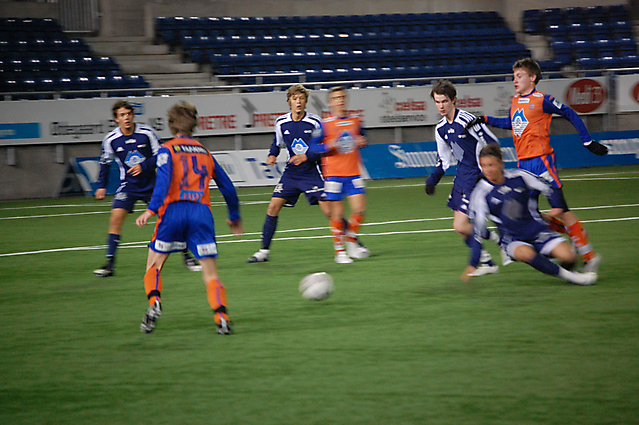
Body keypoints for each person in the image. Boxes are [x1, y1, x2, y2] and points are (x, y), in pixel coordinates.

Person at [465, 58, 608, 273]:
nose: (515, 80)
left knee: (562, 209)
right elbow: (512, 123)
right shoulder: (515, 101)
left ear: (532, 78)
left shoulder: (542, 100)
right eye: (514, 77)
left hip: (542, 162)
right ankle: (565, 242)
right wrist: (485, 119)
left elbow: (569, 112)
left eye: (519, 76)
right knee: (532, 213)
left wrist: (587, 140)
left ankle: (589, 255)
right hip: (523, 166)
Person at [136, 102, 242, 335]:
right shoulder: (205, 152)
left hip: (172, 212)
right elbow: (228, 188)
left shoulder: (167, 150)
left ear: (172, 126)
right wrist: (234, 216)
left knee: (153, 265)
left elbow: (162, 183)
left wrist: (150, 210)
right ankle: (221, 317)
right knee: (211, 274)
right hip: (200, 213)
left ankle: (154, 303)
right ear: (195, 125)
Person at [462, 144, 597, 286]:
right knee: (526, 254)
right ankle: (575, 278)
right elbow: (478, 230)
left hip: (537, 230)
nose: (487, 170)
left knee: (569, 258)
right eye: (484, 166)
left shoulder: (519, 176)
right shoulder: (480, 193)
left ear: (501, 163)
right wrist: (473, 262)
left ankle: (560, 259)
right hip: (513, 239)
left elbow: (548, 187)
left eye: (491, 165)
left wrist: (555, 206)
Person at [94, 100, 201, 277]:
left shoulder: (146, 133)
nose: (126, 118)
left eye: (128, 114)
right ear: (116, 119)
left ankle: (188, 257)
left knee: (171, 219)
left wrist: (144, 166)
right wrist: (101, 186)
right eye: (122, 115)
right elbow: (105, 162)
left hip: (152, 185)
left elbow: (161, 153)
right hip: (128, 186)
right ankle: (109, 264)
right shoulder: (111, 140)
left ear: (133, 115)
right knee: (115, 220)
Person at [425, 80, 508, 276]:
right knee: (461, 229)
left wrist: (488, 170)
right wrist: (433, 179)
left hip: (476, 176)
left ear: (454, 100)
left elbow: (492, 142)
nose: (441, 106)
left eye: (444, 101)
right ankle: (488, 261)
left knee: (461, 224)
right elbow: (444, 160)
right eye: (437, 102)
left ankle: (499, 243)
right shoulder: (440, 128)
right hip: (461, 176)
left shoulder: (467, 120)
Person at [247, 84, 330, 263]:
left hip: (312, 172)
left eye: (301, 98)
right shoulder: (281, 122)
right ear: (289, 101)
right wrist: (272, 155)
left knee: (330, 211)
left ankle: (353, 243)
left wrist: (306, 156)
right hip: (291, 174)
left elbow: (322, 148)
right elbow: (276, 143)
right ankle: (263, 251)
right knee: (272, 207)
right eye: (294, 98)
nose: (298, 102)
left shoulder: (315, 122)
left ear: (306, 101)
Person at [304, 86, 369, 264]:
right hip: (333, 175)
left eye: (342, 97)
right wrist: (328, 146)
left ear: (345, 99)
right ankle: (339, 252)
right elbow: (311, 148)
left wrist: (362, 142)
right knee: (336, 215)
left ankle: (350, 242)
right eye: (335, 98)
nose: (339, 100)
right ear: (330, 102)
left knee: (359, 210)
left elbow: (363, 138)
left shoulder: (355, 121)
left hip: (354, 173)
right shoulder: (324, 125)